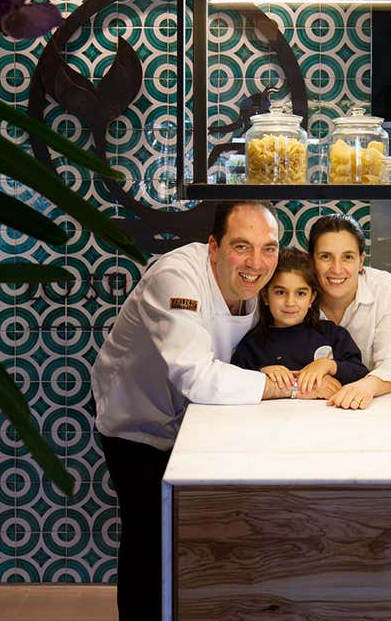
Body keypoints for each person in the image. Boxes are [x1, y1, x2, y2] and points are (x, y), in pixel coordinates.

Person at [91, 201, 337, 620]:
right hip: (138, 421)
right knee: (149, 538)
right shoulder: (177, 278)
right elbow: (196, 376)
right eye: (241, 247)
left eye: (268, 248)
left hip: (196, 427)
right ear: (213, 247)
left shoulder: (262, 282)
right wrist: (291, 387)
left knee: (195, 541)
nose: (256, 263)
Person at [232, 248, 369, 393]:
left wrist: (329, 365)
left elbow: (361, 374)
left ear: (311, 298)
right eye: (280, 292)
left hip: (326, 414)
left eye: (301, 293)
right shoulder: (251, 345)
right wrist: (262, 375)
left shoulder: (332, 335)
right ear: (266, 296)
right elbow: (233, 385)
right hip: (272, 415)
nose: (290, 302)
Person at [307, 214, 391, 410]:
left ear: (361, 261)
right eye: (325, 256)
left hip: (371, 406)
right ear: (311, 260)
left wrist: (365, 387)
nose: (336, 269)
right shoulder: (294, 296)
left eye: (348, 257)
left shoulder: (386, 290)